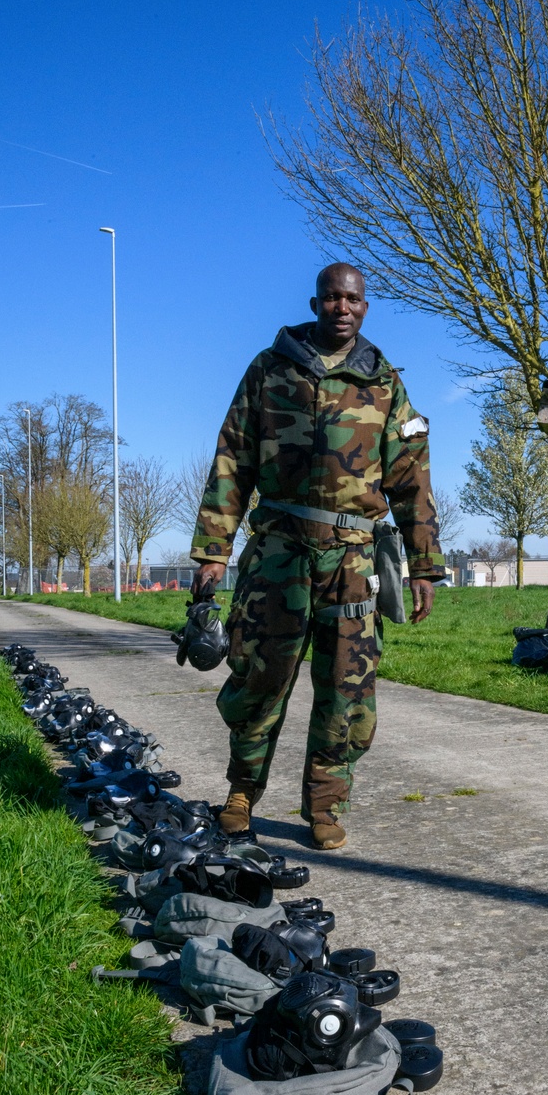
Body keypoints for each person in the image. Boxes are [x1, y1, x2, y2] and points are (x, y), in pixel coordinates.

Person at [189, 262, 444, 849]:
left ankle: (325, 807)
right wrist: (213, 549)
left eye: (352, 299)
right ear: (315, 302)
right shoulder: (270, 368)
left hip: (353, 564)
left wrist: (425, 564)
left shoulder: (384, 384)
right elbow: (233, 458)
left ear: (365, 306)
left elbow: (412, 478)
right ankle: (241, 793)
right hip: (277, 553)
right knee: (259, 678)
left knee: (346, 689)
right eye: (331, 298)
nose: (342, 307)